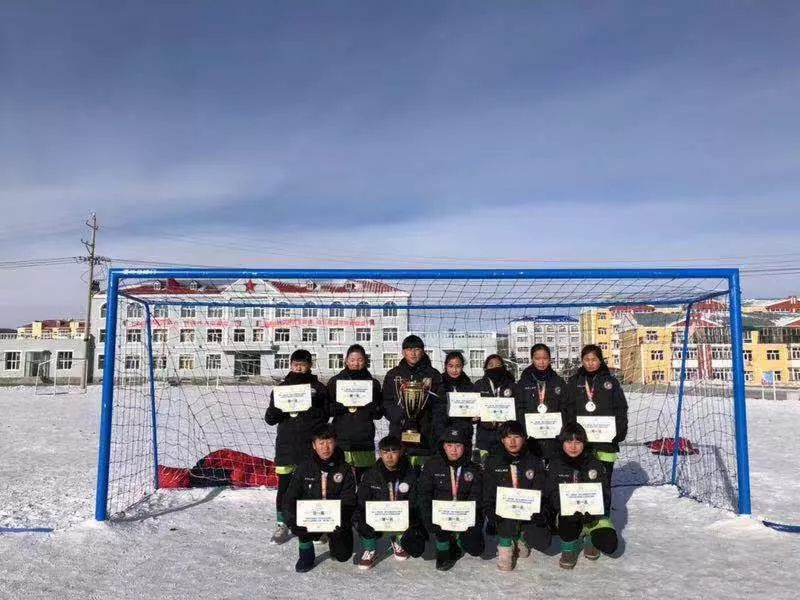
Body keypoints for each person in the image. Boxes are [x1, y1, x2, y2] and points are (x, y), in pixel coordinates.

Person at [264, 349, 330, 544]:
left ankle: (315, 525)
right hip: (286, 447)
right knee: (284, 487)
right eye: (295, 364)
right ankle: (281, 524)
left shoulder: (319, 388)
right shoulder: (281, 388)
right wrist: (278, 408)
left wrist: (313, 405)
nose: (299, 367)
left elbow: (326, 417)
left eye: (303, 364)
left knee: (312, 486)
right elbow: (270, 419)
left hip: (309, 448)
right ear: (291, 365)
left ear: (310, 365)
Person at [283, 425, 357, 572]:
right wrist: (293, 522)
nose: (325, 447)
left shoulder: (345, 469)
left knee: (342, 555)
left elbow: (349, 500)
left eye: (329, 442)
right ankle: (306, 554)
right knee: (300, 519)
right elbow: (290, 498)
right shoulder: (304, 467)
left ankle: (332, 539)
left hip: (335, 519)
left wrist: (342, 520)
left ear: (335, 443)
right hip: (311, 518)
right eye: (321, 443)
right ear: (314, 445)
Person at [546, 423, 618, 569]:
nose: (573, 446)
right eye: (568, 441)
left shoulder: (595, 463)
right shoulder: (555, 464)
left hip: (593, 514)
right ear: (562, 443)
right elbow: (551, 493)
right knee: (566, 523)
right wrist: (566, 509)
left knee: (609, 543)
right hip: (569, 513)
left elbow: (605, 493)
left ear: (584, 443)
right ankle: (569, 549)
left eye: (578, 442)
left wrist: (594, 513)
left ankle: (590, 538)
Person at [482, 421, 551, 571]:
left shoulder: (535, 461)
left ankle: (521, 536)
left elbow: (542, 492)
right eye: (508, 437)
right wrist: (490, 512)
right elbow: (487, 492)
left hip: (526, 511)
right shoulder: (493, 461)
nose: (512, 442)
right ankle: (506, 544)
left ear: (524, 438)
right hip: (504, 514)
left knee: (542, 541)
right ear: (502, 440)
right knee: (505, 566)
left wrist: (541, 513)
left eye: (517, 437)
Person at [352, 435, 427, 569]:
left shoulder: (410, 474)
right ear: (380, 453)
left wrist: (414, 520)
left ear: (401, 452)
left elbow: (416, 500)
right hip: (378, 516)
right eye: (385, 452)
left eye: (393, 452)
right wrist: (360, 518)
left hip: (400, 516)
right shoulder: (371, 474)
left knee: (415, 541)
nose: (389, 457)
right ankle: (370, 549)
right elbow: (361, 499)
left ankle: (398, 539)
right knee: (361, 517)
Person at [417, 427, 484, 571]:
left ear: (465, 447)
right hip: (441, 514)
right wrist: (429, 517)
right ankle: (443, 549)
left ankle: (458, 543)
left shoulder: (473, 468)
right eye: (449, 445)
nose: (454, 450)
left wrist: (470, 518)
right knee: (439, 525)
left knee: (476, 547)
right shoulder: (431, 466)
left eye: (458, 446)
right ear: (443, 446)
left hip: (463, 514)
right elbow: (424, 494)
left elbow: (476, 496)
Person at [564, 344, 628, 485]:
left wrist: (619, 431)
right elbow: (568, 408)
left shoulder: (611, 382)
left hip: (606, 442)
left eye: (594, 359)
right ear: (582, 360)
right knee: (583, 479)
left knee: (603, 479)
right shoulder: (574, 382)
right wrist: (570, 431)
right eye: (587, 359)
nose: (590, 363)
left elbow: (621, 408)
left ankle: (605, 507)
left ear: (600, 360)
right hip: (581, 441)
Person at [382, 335, 443, 468]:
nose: (413, 353)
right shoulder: (393, 375)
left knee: (424, 475)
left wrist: (428, 418)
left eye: (417, 349)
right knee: (402, 474)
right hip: (399, 431)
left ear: (423, 351)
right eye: (409, 349)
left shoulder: (433, 375)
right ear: (403, 352)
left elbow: (440, 402)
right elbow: (386, 401)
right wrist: (400, 415)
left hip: (425, 434)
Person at [327, 344, 383, 482]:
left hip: (364, 439)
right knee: (340, 480)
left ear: (365, 361)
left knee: (364, 481)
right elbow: (327, 409)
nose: (356, 363)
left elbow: (379, 413)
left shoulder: (373, 384)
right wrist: (338, 407)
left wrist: (373, 408)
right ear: (346, 361)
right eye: (352, 359)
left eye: (360, 359)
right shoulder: (335, 382)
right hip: (341, 439)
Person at [514, 344, 569, 460]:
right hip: (530, 437)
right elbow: (518, 408)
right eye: (537, 358)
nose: (541, 362)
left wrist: (561, 428)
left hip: (554, 437)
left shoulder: (558, 382)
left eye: (545, 358)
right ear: (532, 359)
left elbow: (564, 407)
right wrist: (525, 428)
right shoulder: (523, 382)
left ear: (550, 359)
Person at [473, 354, 515, 463]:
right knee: (485, 467)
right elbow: (473, 408)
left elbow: (517, 409)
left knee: (504, 467)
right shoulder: (479, 385)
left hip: (506, 435)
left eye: (498, 365)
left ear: (503, 367)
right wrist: (473, 416)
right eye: (491, 365)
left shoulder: (511, 386)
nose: (494, 367)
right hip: (484, 436)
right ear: (485, 368)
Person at [432, 350, 474, 449]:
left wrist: (475, 414)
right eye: (451, 366)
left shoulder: (469, 386)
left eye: (458, 366)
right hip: (442, 432)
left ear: (462, 366)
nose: (454, 370)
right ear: (445, 366)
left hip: (463, 432)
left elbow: (474, 408)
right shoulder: (438, 385)